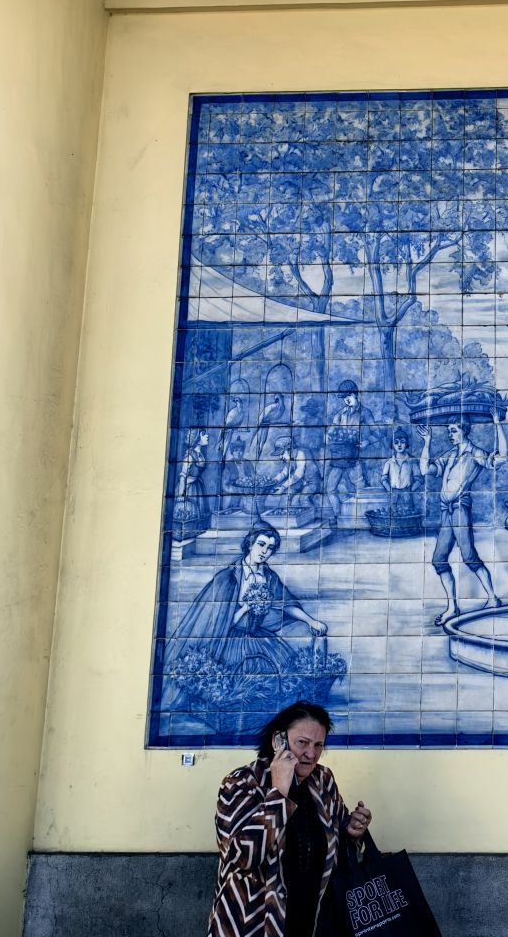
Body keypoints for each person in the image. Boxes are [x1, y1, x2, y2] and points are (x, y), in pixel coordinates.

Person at [207, 701, 373, 937]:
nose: (311, 754)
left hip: (311, 923)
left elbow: (337, 839)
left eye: (318, 745)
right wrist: (279, 793)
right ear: (279, 741)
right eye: (302, 742)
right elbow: (241, 858)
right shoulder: (243, 783)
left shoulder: (323, 780)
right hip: (253, 924)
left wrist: (353, 830)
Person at [172, 522, 327, 680]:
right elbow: (221, 623)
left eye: (270, 548)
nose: (264, 551)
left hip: (259, 639)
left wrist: (310, 620)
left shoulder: (269, 577)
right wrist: (246, 608)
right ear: (250, 544)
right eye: (261, 544)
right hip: (230, 643)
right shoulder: (228, 578)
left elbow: (286, 603)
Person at [420, 415, 507, 624]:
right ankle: (452, 607)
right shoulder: (450, 454)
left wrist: (497, 424)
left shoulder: (475, 453)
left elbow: (503, 457)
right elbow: (425, 470)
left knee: (469, 556)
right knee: (439, 559)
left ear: (464, 430)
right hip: (446, 510)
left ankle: (492, 598)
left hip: (460, 508)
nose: (450, 435)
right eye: (449, 431)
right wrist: (427, 442)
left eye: (454, 430)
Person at [322, 381, 366, 511]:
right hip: (339, 456)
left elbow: (375, 431)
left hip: (354, 456)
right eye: (344, 397)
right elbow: (333, 427)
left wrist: (367, 441)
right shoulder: (341, 413)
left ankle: (361, 514)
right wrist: (328, 435)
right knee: (331, 489)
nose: (347, 399)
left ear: (355, 394)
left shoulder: (365, 413)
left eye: (349, 395)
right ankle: (338, 514)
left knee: (359, 487)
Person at [379, 428, 420, 517]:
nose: (399, 445)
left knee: (408, 516)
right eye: (396, 442)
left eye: (402, 442)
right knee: (394, 516)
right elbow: (384, 479)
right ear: (393, 444)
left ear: (406, 443)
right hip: (393, 494)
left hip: (407, 494)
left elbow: (419, 479)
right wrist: (390, 490)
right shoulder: (389, 462)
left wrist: (409, 491)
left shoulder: (412, 461)